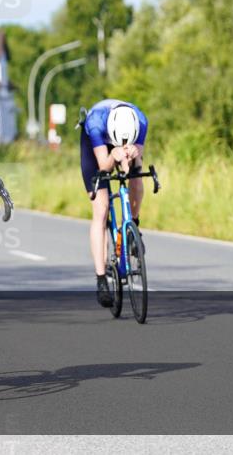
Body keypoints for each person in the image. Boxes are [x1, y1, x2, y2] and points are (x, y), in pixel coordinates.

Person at [80, 99, 148, 308]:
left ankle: (133, 227)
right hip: (98, 148)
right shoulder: (95, 124)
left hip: (126, 139)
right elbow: (104, 167)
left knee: (136, 179)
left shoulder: (141, 121)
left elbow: (135, 167)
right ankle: (101, 278)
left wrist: (133, 158)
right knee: (101, 209)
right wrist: (113, 155)